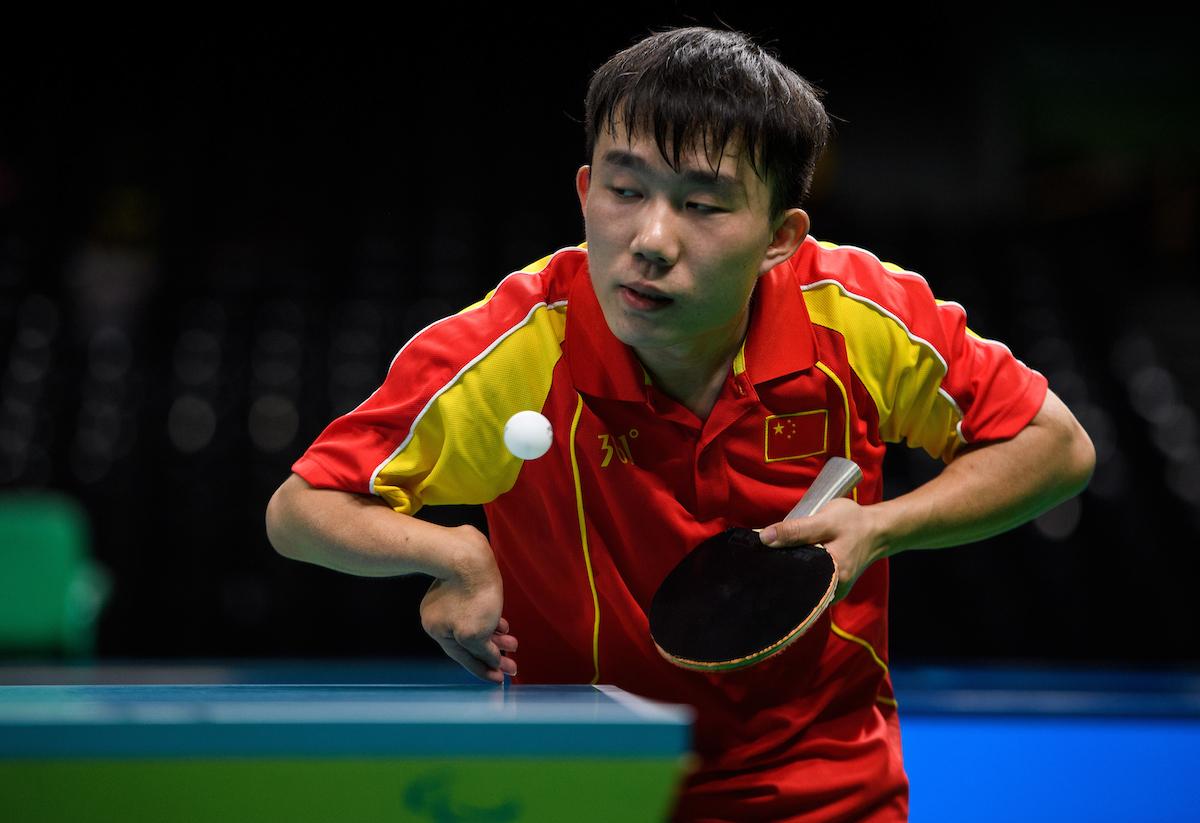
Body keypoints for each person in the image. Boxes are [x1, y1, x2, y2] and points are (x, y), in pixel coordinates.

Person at [266, 26, 1095, 822]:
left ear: (780, 236)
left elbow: (1055, 447)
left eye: (701, 204)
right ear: (587, 192)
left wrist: (881, 527)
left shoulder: (861, 318)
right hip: (580, 789)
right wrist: (453, 553)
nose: (651, 240)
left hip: (820, 790)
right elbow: (301, 511)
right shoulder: (511, 348)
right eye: (626, 191)